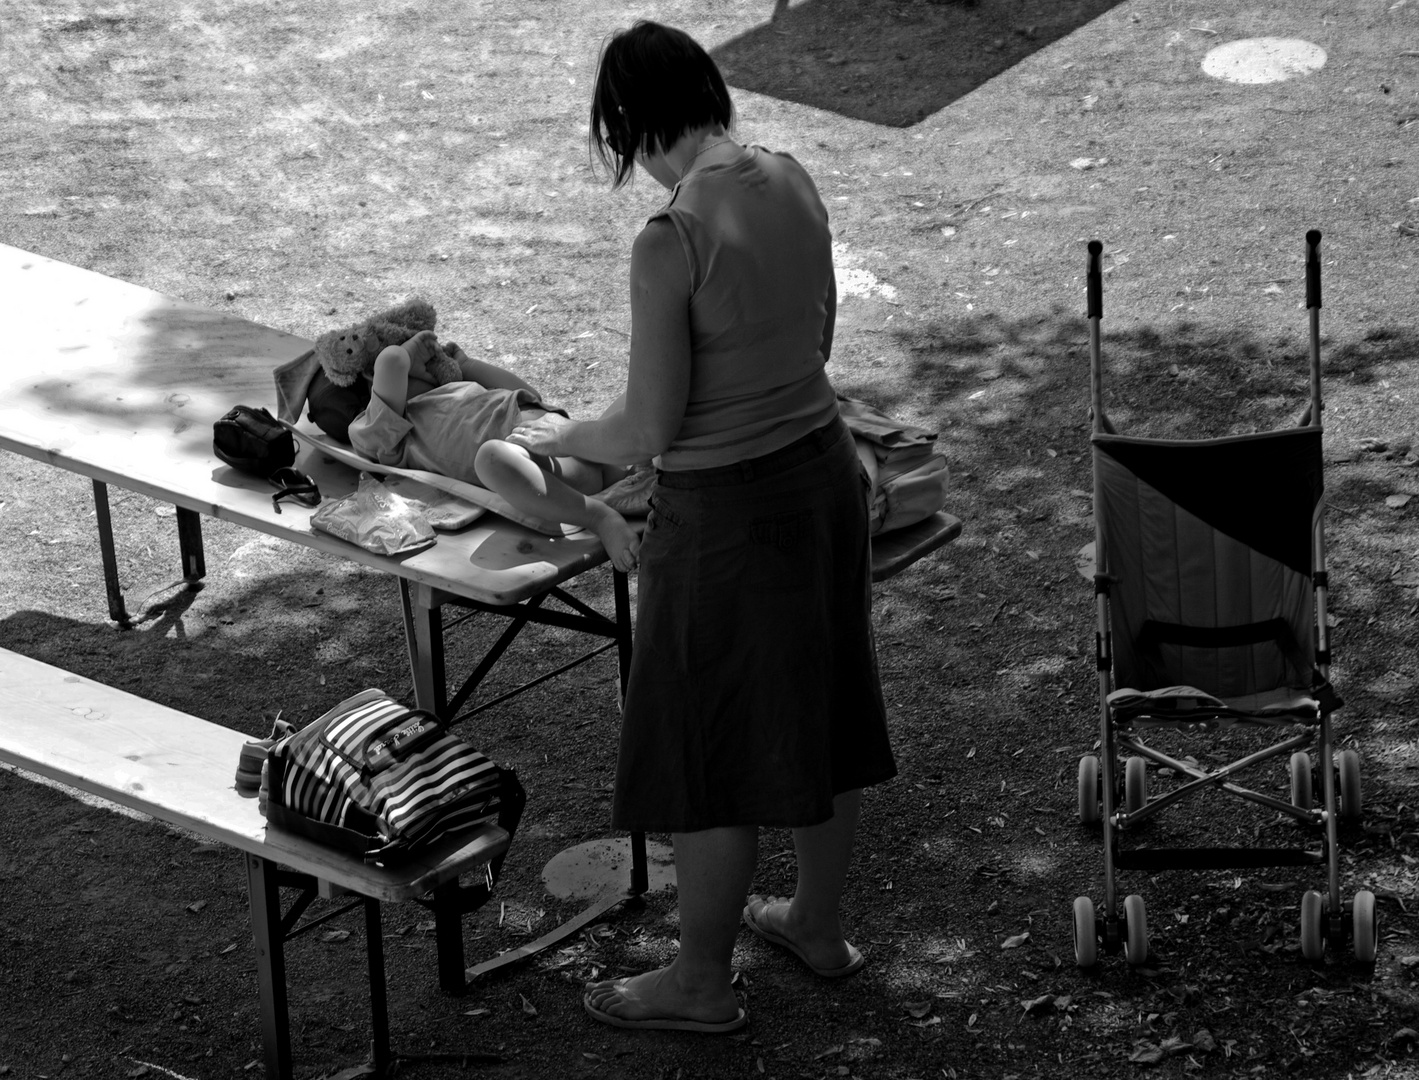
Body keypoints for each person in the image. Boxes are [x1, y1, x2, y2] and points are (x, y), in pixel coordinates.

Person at [505, 20, 896, 1033]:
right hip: (821, 477)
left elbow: (648, 427)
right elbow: (816, 338)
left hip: (726, 515)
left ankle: (699, 982)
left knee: (714, 744)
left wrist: (559, 437)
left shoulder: (670, 238)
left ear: (631, 127)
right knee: (824, 707)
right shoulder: (793, 176)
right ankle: (815, 922)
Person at [347, 329, 641, 571]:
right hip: (535, 463)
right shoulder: (383, 435)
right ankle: (598, 516)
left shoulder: (447, 391)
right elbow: (391, 361)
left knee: (640, 396)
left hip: (570, 433)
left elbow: (530, 394)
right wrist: (410, 350)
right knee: (489, 458)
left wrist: (464, 363)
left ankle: (641, 465)